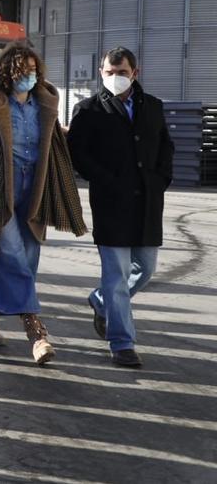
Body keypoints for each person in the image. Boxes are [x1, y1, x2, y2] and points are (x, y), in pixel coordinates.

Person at [0, 41, 87, 365]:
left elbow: (54, 146)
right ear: (6, 73)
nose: (27, 76)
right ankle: (36, 332)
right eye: (21, 71)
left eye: (32, 70)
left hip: (34, 191)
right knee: (13, 256)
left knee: (25, 261)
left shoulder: (44, 107)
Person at [68, 47, 174, 367]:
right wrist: (106, 179)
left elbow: (165, 147)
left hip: (147, 204)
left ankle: (99, 301)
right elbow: (78, 154)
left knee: (144, 270)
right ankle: (122, 343)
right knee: (116, 276)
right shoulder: (88, 110)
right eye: (109, 72)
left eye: (122, 72)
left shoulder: (152, 107)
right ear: (101, 73)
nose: (115, 78)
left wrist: (159, 180)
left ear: (135, 73)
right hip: (111, 204)